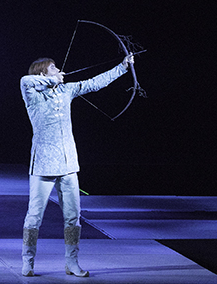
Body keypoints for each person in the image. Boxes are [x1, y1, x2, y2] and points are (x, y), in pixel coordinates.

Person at [19, 54, 134, 277]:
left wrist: (122, 67)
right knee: (34, 215)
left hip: (68, 163)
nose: (58, 70)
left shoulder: (65, 91)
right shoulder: (32, 94)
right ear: (43, 72)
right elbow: (25, 80)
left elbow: (94, 83)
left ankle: (72, 262)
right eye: (53, 68)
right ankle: (28, 261)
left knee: (73, 216)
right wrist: (51, 80)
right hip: (43, 164)